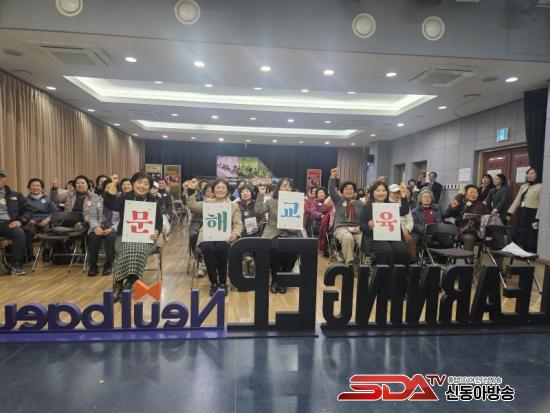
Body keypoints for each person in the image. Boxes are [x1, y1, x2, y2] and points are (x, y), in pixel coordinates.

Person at [103, 173, 163, 302]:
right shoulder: (125, 198)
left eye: (146, 184)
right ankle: (118, 283)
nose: (142, 186)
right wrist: (113, 183)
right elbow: (109, 203)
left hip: (146, 238)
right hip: (125, 236)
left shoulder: (153, 200)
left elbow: (159, 222)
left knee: (140, 252)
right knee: (125, 250)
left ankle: (129, 283)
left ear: (149, 187)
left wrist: (156, 231)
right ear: (133, 184)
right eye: (139, 182)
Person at [186, 178, 242, 296]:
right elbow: (192, 206)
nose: (220, 190)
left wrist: (235, 234)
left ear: (227, 190)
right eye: (218, 187)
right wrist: (191, 190)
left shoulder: (233, 206)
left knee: (222, 248)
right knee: (208, 249)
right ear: (213, 189)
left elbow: (238, 224)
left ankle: (223, 283)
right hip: (208, 236)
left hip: (225, 237)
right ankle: (214, 283)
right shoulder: (207, 203)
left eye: (223, 188)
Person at [255, 178, 301, 294]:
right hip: (273, 231)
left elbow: (298, 220)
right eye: (284, 186)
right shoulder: (271, 201)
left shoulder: (297, 201)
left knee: (294, 250)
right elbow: (259, 210)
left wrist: (294, 228)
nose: (287, 188)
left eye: (289, 186)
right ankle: (275, 279)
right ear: (279, 188)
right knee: (275, 249)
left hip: (290, 232)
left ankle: (284, 278)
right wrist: (260, 194)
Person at [359, 182, 409, 266]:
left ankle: (401, 273)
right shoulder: (367, 207)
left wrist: (403, 196)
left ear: (387, 192)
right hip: (374, 238)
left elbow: (404, 210)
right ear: (372, 193)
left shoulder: (392, 206)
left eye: (383, 190)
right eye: (378, 190)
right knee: (387, 250)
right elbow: (362, 226)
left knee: (401, 250)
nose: (381, 193)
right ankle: (385, 273)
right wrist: (369, 226)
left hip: (392, 237)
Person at [328, 167, 364, 268]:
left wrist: (361, 227)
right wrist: (333, 176)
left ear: (355, 191)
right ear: (342, 191)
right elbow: (331, 190)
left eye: (351, 189)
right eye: (346, 189)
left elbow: (364, 218)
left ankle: (364, 263)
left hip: (357, 228)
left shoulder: (360, 203)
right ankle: (350, 263)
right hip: (341, 227)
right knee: (348, 238)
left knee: (363, 239)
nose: (349, 191)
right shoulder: (338, 201)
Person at [0, 168, 32, 275]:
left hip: (8, 223)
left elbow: (28, 210)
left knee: (19, 232)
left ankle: (16, 265)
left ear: (5, 179)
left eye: (1, 177)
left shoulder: (15, 195)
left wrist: (20, 221)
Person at [87, 178, 119, 276]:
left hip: (112, 227)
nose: (109, 189)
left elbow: (122, 219)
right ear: (103, 189)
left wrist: (112, 228)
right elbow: (92, 217)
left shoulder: (120, 200)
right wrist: (96, 227)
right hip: (99, 226)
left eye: (112, 187)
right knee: (93, 237)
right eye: (107, 187)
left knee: (111, 238)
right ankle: (93, 266)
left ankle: (108, 265)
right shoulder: (96, 199)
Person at [507, 167, 541, 253]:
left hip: (532, 213)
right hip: (522, 211)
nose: (529, 175)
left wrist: (538, 218)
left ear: (537, 175)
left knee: (530, 234)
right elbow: (517, 200)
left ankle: (529, 251)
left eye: (532, 173)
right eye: (528, 173)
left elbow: (541, 204)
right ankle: (520, 249)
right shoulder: (524, 186)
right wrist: (510, 213)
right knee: (518, 231)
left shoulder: (541, 186)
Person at [444, 185, 488, 251]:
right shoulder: (460, 203)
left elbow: (488, 217)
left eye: (476, 193)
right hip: (463, 232)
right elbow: (446, 214)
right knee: (469, 238)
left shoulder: (481, 205)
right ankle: (468, 257)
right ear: (465, 193)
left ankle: (498, 254)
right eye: (471, 192)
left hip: (479, 232)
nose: (473, 194)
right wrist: (459, 195)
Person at [25, 178, 58, 262]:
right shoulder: (25, 200)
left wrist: (48, 219)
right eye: (33, 185)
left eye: (38, 185)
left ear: (42, 188)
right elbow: (23, 212)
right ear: (29, 187)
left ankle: (46, 252)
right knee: (28, 231)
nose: (35, 187)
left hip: (45, 221)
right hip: (32, 221)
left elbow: (55, 212)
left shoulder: (47, 199)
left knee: (47, 230)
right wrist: (29, 219)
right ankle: (29, 253)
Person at [388, 184, 416, 262]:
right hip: (389, 230)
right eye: (394, 193)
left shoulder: (404, 204)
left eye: (399, 193)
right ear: (389, 193)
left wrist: (407, 229)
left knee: (409, 239)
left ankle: (412, 262)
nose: (397, 195)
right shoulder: (385, 203)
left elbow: (410, 220)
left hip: (403, 229)